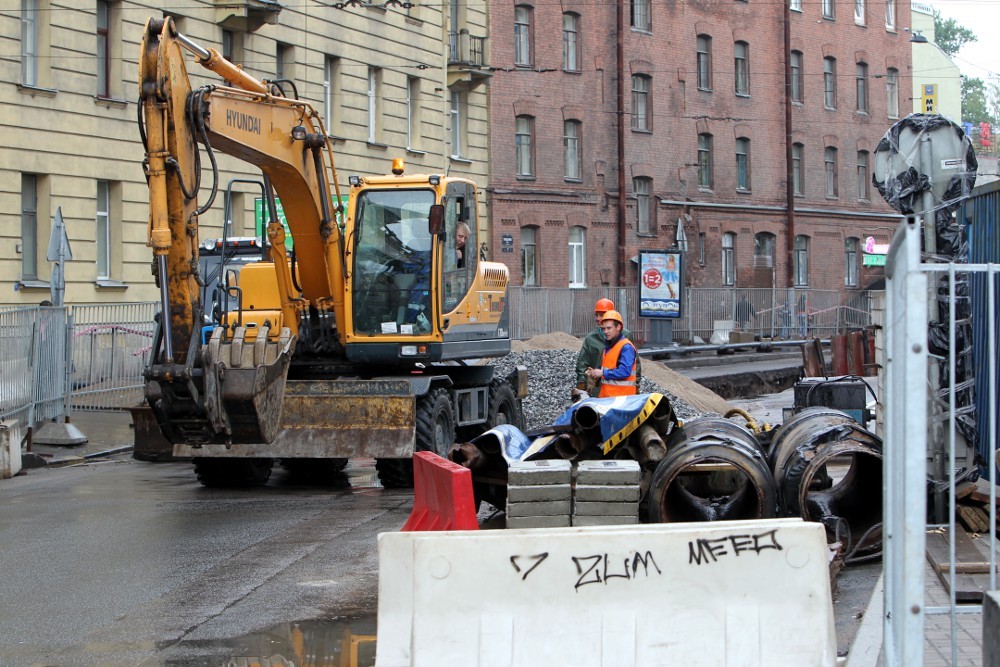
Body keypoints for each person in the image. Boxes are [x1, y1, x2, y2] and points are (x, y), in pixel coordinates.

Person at [575, 298, 641, 392]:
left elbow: (634, 365)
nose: (598, 318)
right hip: (599, 391)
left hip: (620, 393)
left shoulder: (626, 338)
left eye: (601, 315)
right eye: (596, 315)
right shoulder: (591, 338)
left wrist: (636, 384)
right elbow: (582, 364)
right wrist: (582, 383)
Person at [584, 310, 638, 397]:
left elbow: (625, 371)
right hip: (608, 398)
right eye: (604, 329)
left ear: (618, 327)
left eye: (609, 328)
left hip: (621, 400)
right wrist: (595, 373)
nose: (605, 331)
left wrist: (602, 373)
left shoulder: (626, 347)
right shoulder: (609, 347)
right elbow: (608, 368)